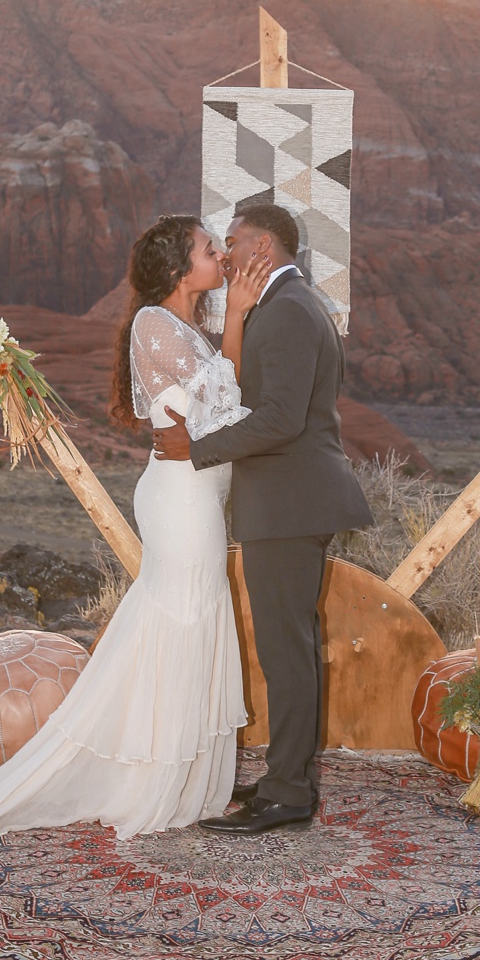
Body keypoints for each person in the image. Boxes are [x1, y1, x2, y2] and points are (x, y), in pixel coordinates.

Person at [0, 214, 270, 844]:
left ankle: (191, 781)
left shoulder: (186, 325)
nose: (221, 258)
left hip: (197, 495)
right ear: (181, 271)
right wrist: (237, 315)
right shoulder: (155, 323)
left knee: (186, 625)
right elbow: (223, 408)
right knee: (182, 627)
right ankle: (158, 785)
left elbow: (220, 406)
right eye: (211, 250)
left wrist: (231, 321)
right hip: (182, 503)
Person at [153, 202, 373, 835]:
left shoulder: (291, 312)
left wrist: (195, 450)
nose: (224, 253)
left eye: (233, 241)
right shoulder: (283, 307)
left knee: (286, 650)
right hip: (285, 499)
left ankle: (288, 795)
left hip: (289, 502)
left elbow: (280, 419)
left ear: (265, 249)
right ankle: (286, 779)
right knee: (286, 648)